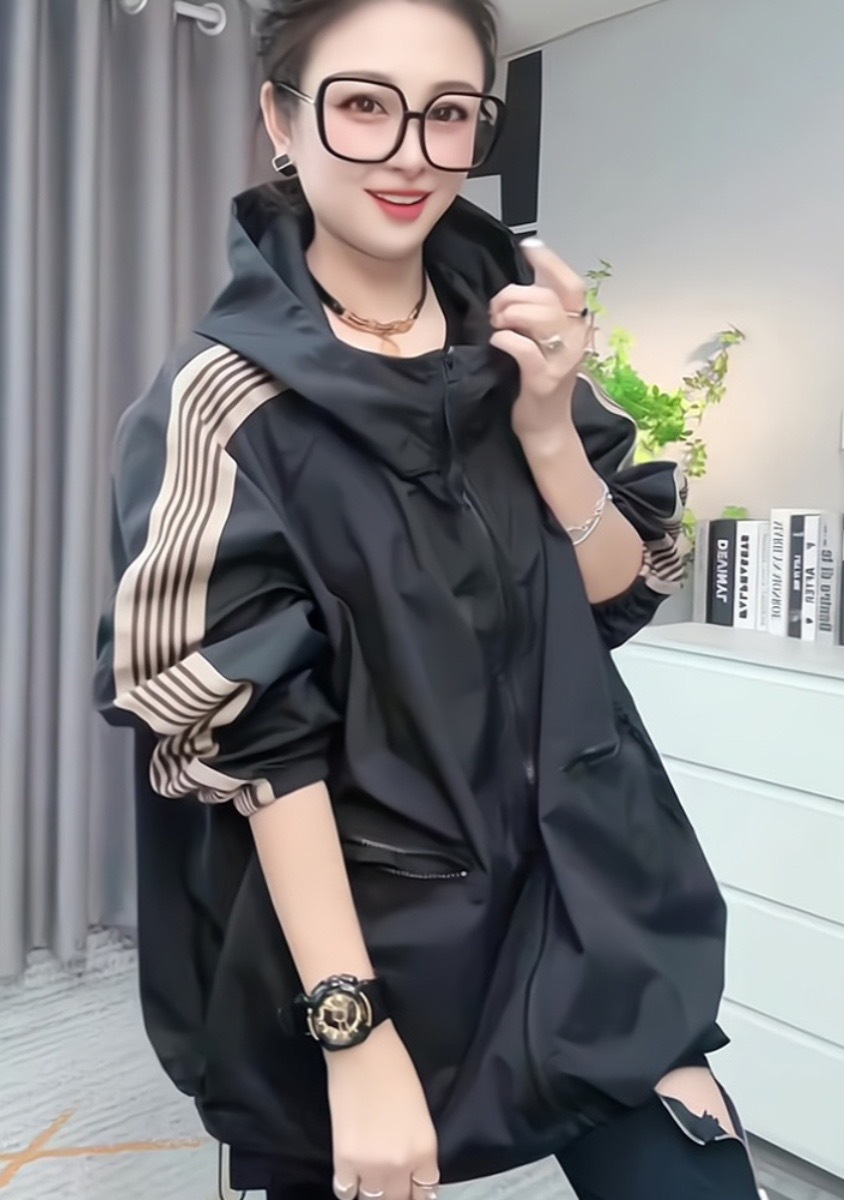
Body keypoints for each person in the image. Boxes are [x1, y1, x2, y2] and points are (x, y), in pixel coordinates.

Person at [94, 1, 764, 1198]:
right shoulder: (219, 403)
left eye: (449, 113)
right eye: (364, 104)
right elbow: (256, 739)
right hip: (362, 944)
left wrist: (549, 430)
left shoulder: (522, 341)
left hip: (586, 914)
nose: (411, 152)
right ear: (279, 121)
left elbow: (618, 592)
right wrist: (351, 1034)